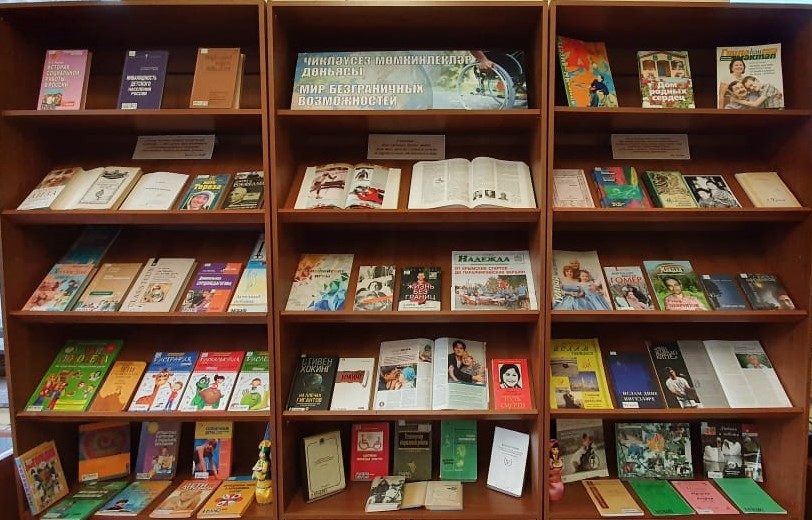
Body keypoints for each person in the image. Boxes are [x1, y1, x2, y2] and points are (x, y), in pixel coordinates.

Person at [252, 440, 273, 505]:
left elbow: (264, 470)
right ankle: (260, 500)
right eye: (260, 453)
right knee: (259, 489)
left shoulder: (266, 462)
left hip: (264, 477)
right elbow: (255, 466)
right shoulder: (259, 461)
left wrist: (259, 469)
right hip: (259, 479)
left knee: (265, 488)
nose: (260, 454)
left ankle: (267, 500)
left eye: (262, 453)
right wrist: (255, 468)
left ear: (264, 454)